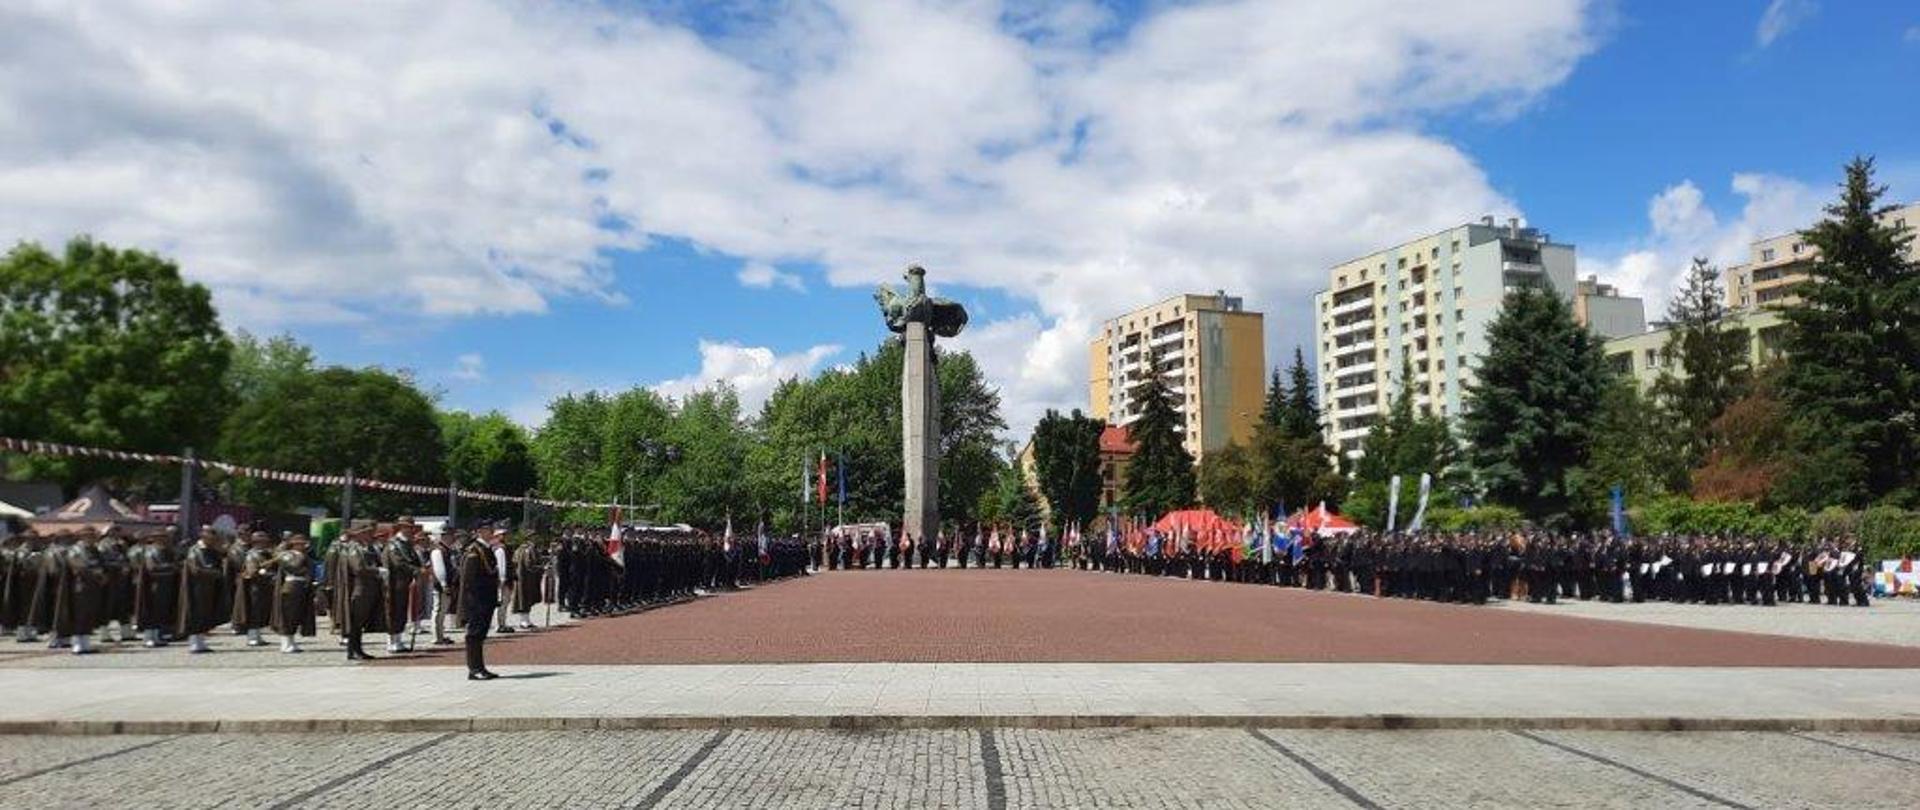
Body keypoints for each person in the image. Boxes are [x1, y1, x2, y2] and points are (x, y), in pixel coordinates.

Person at [175, 528, 233, 654]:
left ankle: (200, 641)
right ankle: (194, 642)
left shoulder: (211, 550)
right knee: (196, 613)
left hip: (209, 586)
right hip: (197, 587)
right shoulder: (195, 551)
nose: (213, 541)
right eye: (211, 538)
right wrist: (214, 573)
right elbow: (195, 569)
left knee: (205, 614)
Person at [460, 528, 501, 680]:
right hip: (477, 598)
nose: (490, 533)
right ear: (479, 532)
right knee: (474, 634)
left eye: (490, 530)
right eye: (487, 530)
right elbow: (469, 578)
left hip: (486, 598)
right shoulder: (474, 550)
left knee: (481, 633)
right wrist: (471, 599)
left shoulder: (486, 548)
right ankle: (474, 668)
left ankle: (480, 667)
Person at [267, 535, 317, 653]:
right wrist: (302, 559)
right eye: (301, 544)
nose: (304, 546)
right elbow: (294, 567)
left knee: (296, 616)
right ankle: (285, 642)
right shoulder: (288, 555)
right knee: (288, 616)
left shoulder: (303, 556)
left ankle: (291, 640)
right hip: (291, 586)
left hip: (302, 586)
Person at [381, 522, 424, 652]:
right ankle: (392, 640)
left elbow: (415, 559)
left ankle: (398, 638)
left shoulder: (407, 543)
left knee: (402, 610)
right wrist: (415, 570)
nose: (410, 530)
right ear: (401, 528)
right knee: (394, 610)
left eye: (411, 527)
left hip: (405, 581)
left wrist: (419, 568)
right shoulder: (394, 544)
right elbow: (398, 562)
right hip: (395, 582)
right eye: (407, 527)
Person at [230, 531, 278, 647]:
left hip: (264, 586)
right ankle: (252, 637)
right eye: (262, 541)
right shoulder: (252, 555)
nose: (265, 543)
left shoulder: (266, 554)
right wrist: (267, 573)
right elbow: (252, 571)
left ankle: (257, 635)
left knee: (261, 612)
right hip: (255, 587)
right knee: (254, 611)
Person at [428, 529, 460, 645]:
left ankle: (440, 634)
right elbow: (439, 568)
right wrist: (443, 583)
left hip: (448, 584)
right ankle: (437, 636)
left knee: (443, 610)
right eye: (450, 535)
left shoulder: (447, 550)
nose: (453, 538)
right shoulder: (438, 551)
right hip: (441, 585)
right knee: (439, 610)